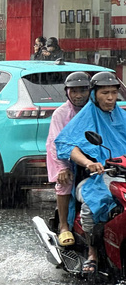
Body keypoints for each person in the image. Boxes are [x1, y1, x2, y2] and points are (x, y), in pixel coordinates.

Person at [55, 71, 126, 273]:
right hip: (97, 177)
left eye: (114, 92)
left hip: (124, 174)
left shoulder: (122, 116)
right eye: (105, 93)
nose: (110, 98)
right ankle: (93, 252)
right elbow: (67, 145)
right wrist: (88, 163)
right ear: (95, 94)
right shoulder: (86, 116)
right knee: (94, 205)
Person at [45, 71, 91, 247]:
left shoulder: (96, 110)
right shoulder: (61, 114)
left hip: (96, 157)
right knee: (65, 182)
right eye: (74, 91)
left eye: (83, 90)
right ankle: (64, 226)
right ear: (67, 92)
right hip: (66, 159)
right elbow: (56, 143)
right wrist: (63, 167)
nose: (78, 95)